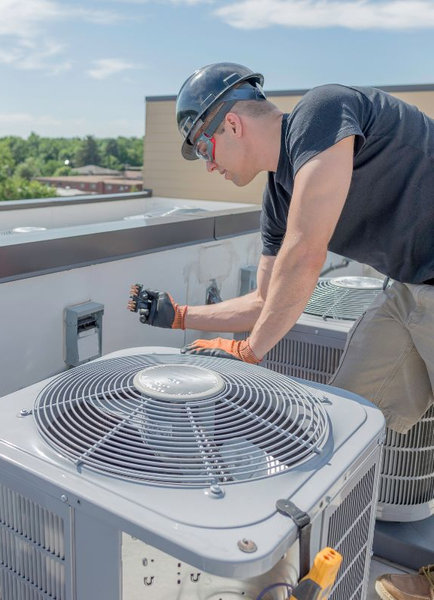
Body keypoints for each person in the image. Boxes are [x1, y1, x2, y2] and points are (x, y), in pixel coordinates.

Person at [132, 62, 434, 600]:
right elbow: (267, 299)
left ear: (231, 124)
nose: (207, 167)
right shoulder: (278, 195)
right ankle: (308, 573)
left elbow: (304, 255)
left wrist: (248, 351)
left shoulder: (320, 112)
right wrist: (178, 316)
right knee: (348, 418)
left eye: (202, 149)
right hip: (411, 287)